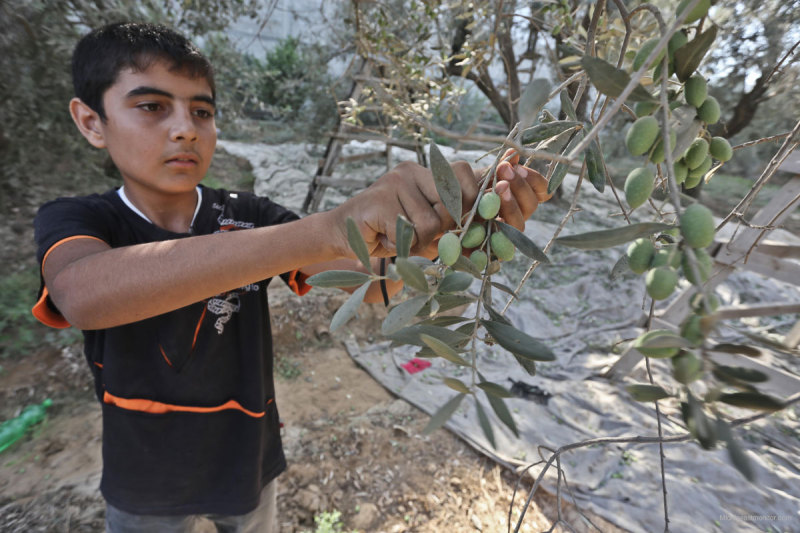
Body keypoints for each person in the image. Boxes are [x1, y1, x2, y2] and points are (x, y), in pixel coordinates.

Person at [32, 21, 550, 533]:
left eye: (202, 111)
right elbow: (81, 294)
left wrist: (440, 254)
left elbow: (373, 282)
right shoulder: (79, 219)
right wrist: (324, 229)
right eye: (152, 107)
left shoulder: (249, 213)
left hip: (247, 461)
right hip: (142, 476)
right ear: (91, 121)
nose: (185, 128)